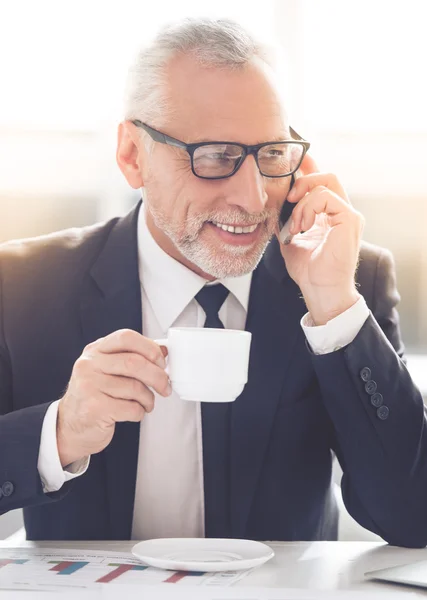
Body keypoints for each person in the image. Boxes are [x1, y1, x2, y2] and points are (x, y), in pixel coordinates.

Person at [0, 18, 426, 547]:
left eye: (271, 154)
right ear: (133, 155)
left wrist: (332, 306)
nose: (252, 200)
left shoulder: (347, 280)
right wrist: (56, 433)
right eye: (215, 157)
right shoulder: (21, 287)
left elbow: (414, 516)